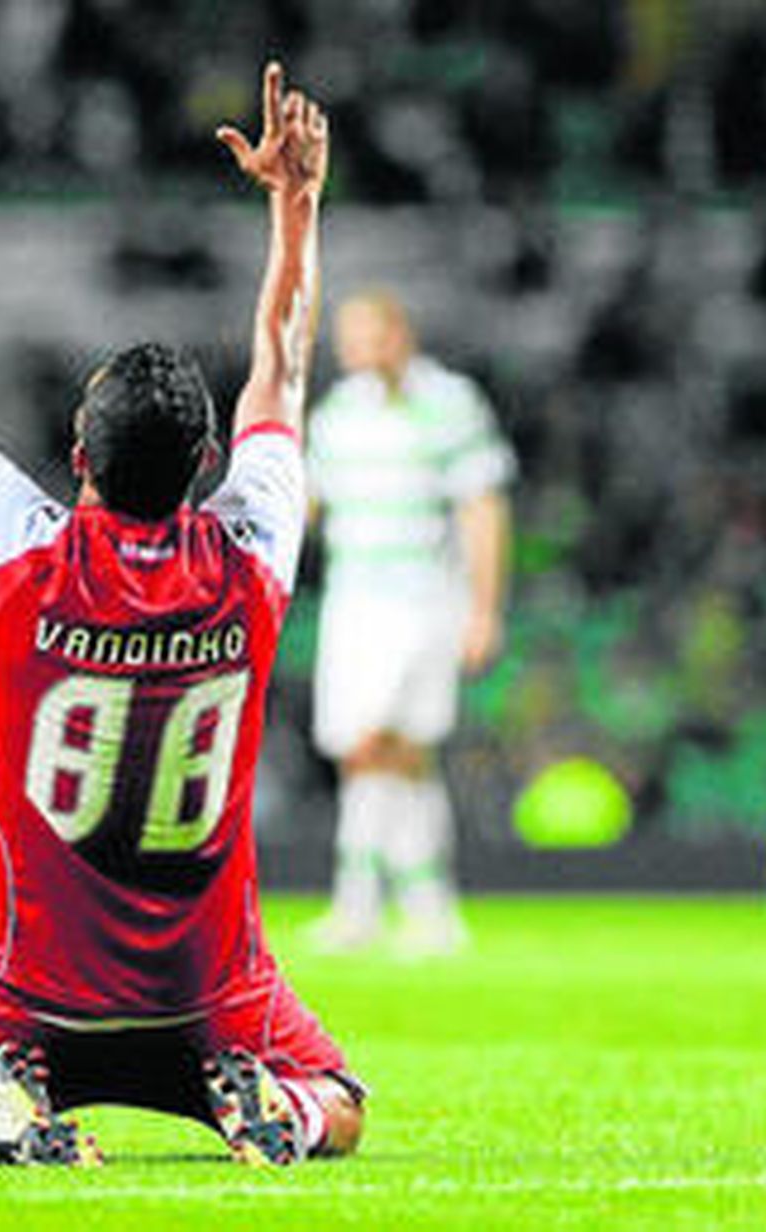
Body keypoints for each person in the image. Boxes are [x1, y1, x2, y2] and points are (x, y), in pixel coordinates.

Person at [0, 57, 364, 1166]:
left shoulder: (22, 551)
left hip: (15, 988)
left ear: (76, 457)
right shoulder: (253, 551)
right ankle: (275, 1109)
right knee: (340, 1097)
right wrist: (297, 202)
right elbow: (279, 363)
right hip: (206, 992)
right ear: (207, 465)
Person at [304, 291, 515, 956]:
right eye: (349, 335)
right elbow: (309, 505)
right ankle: (427, 906)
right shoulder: (338, 415)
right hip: (353, 600)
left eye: (369, 333)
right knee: (383, 754)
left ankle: (359, 901)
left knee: (383, 744)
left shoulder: (450, 402)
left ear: (400, 333)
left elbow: (482, 507)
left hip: (423, 596)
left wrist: (484, 608)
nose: (357, 347)